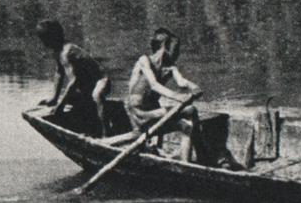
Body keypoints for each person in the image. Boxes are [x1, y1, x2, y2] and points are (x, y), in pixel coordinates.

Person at [126, 28, 207, 163]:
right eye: (176, 49)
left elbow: (181, 82)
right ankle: (199, 156)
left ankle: (188, 163)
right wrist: (178, 97)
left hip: (153, 113)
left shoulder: (170, 67)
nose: (178, 53)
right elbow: (154, 85)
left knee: (189, 120)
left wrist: (193, 86)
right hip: (138, 114)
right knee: (189, 114)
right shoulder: (144, 61)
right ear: (165, 47)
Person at [36, 19, 109, 135]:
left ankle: (106, 133)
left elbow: (74, 81)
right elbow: (59, 73)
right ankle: (89, 126)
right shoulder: (57, 52)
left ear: (50, 39)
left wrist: (60, 106)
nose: (44, 44)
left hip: (101, 81)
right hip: (86, 85)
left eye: (44, 40)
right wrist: (54, 98)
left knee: (97, 95)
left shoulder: (67, 52)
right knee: (73, 99)